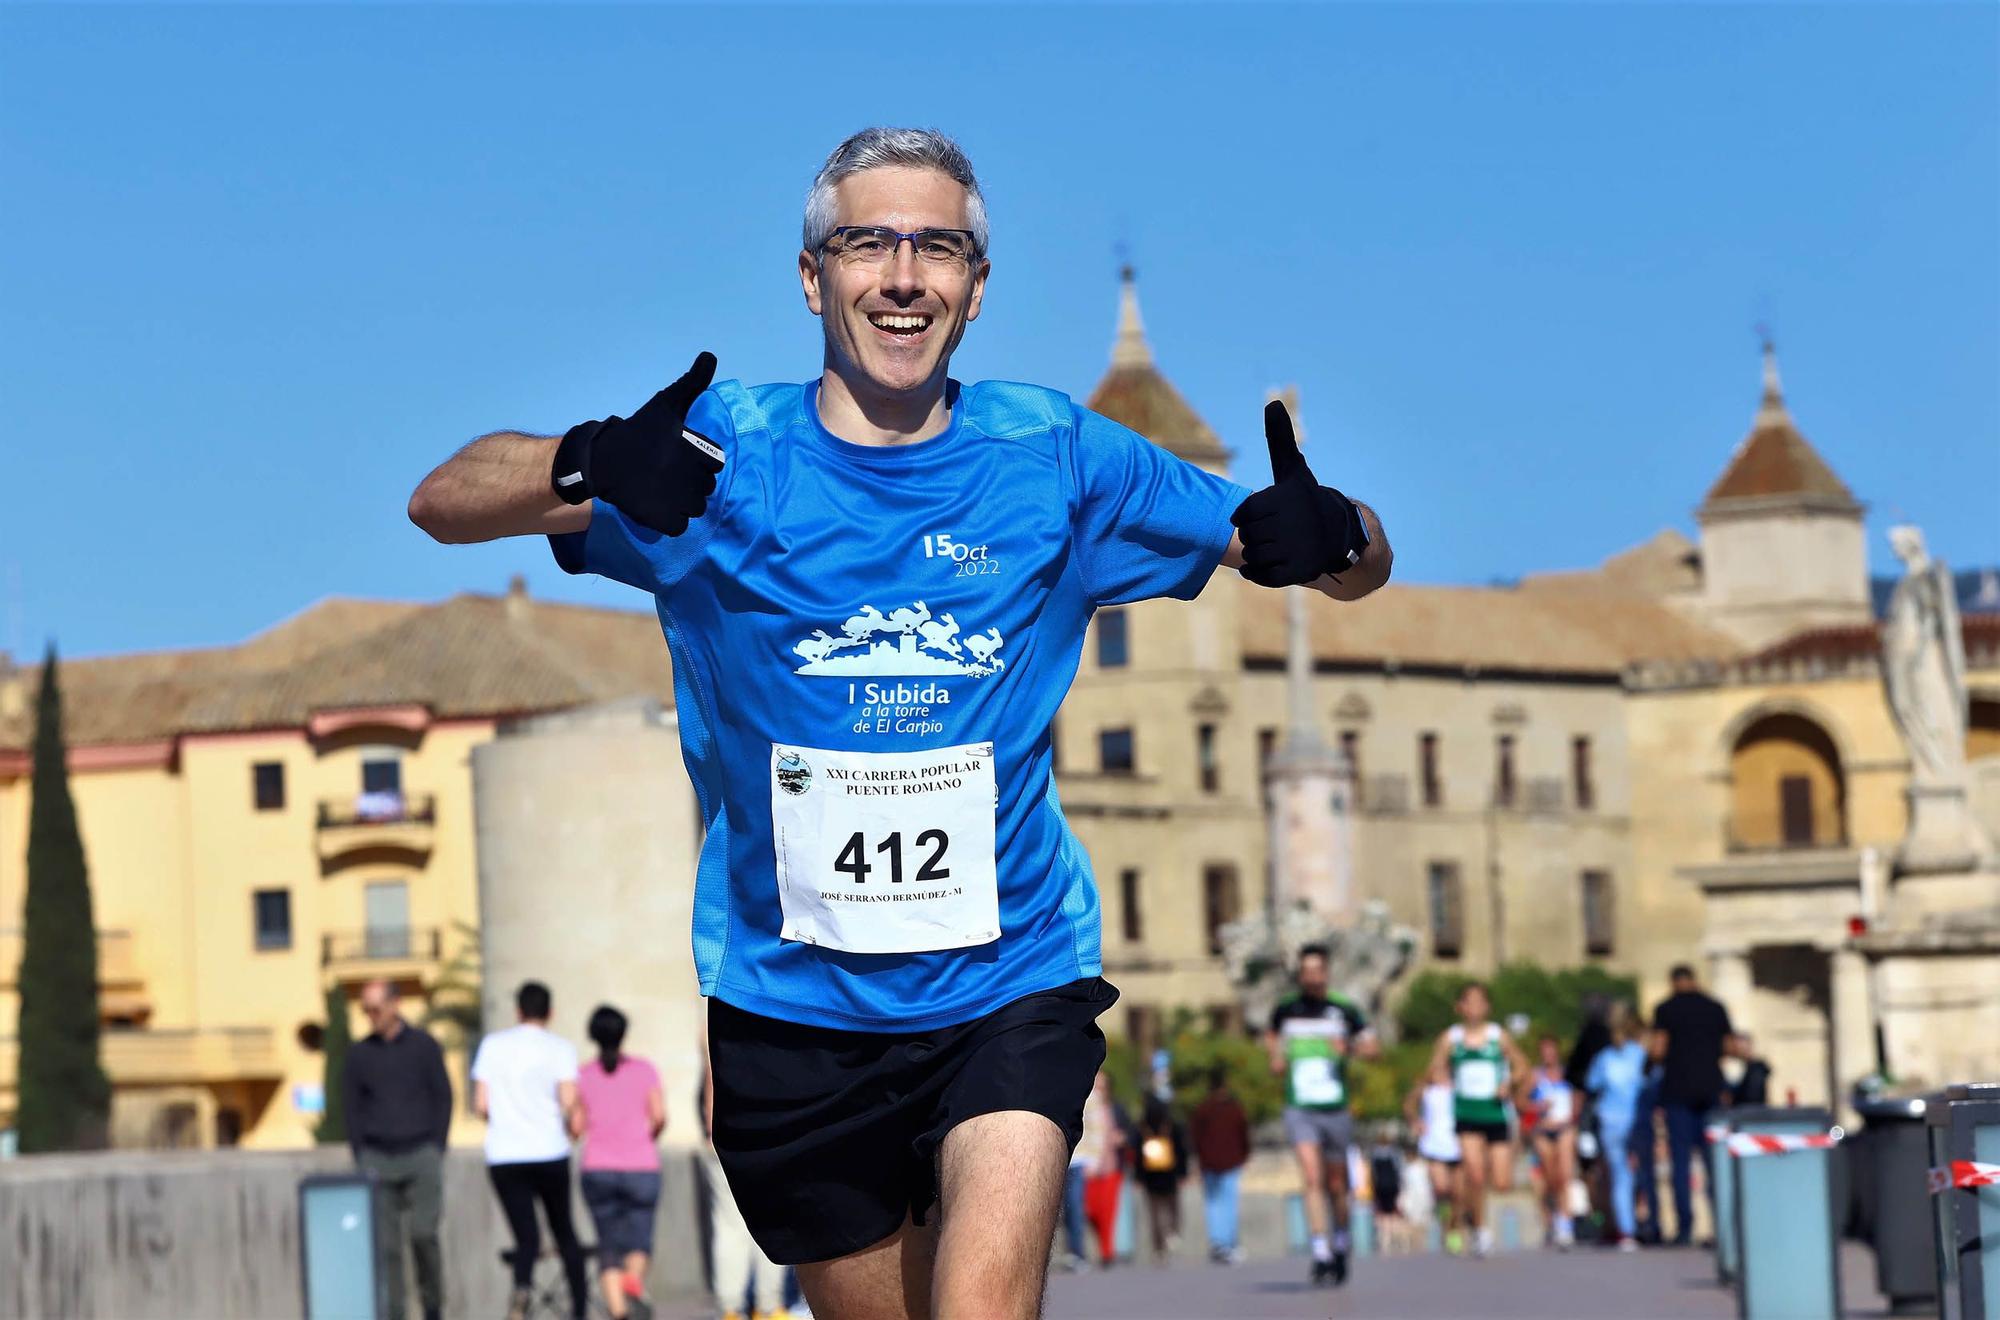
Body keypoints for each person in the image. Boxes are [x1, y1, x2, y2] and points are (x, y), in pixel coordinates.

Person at [407, 126, 1391, 1320]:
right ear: (813, 276)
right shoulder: (722, 460)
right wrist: (588, 460)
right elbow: (442, 501)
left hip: (1008, 977)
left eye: (939, 247)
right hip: (792, 1006)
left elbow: (1326, 555)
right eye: (867, 241)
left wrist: (1339, 537)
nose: (903, 273)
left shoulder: (1054, 455)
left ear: (976, 288)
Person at [473, 980, 588, 1320]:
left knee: (527, 1238)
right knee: (565, 1233)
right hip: (549, 1151)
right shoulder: (560, 1048)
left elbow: (481, 1104)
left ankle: (522, 1291)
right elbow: (569, 1102)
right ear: (550, 1012)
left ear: (518, 1010)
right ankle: (579, 1309)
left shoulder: (492, 1046)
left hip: (504, 1155)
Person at [1267, 944, 1380, 1286]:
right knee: (1312, 1179)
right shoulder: (1285, 1010)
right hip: (1300, 1106)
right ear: (1300, 975)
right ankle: (1319, 1251)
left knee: (1336, 1184)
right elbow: (1273, 1038)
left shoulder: (1344, 1010)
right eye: (1307, 971)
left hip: (1335, 1107)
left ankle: (1341, 1240)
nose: (1313, 977)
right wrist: (1276, 1056)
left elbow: (1374, 1049)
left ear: (1326, 973)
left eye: (1318, 970)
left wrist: (1352, 1048)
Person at [343, 980, 452, 1320]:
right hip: (377, 1158)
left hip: (421, 1153)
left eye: (376, 1009)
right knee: (387, 1247)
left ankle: (433, 1306)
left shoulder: (424, 1046)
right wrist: (360, 1152)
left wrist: (437, 1145)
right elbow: (351, 1106)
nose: (371, 1016)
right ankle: (394, 1314)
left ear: (395, 1005)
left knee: (423, 1233)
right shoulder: (359, 1055)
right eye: (366, 1011)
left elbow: (443, 1096)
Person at [571, 1005, 666, 1320]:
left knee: (608, 1247)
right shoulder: (645, 1070)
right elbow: (659, 1117)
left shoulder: (583, 1074)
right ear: (623, 1033)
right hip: (641, 1167)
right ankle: (632, 1283)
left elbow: (576, 1128)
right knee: (639, 1241)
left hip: (598, 1168)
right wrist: (644, 1139)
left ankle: (618, 1312)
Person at [1426, 981, 1530, 1259]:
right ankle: (1481, 1232)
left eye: (1479, 1002)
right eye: (1468, 1002)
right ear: (1460, 1007)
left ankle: (1470, 1215)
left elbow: (1522, 1066)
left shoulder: (1498, 1036)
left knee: (1502, 1180)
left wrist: (1509, 1083)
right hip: (1467, 1113)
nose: (1474, 1007)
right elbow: (1435, 1067)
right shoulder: (1452, 1038)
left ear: (1487, 1007)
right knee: (1474, 1173)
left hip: (1495, 1112)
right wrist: (1441, 1078)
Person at [698, 1033, 792, 1320]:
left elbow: (711, 1084)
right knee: (772, 1219)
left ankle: (731, 1307)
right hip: (770, 1135)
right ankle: (768, 1305)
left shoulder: (718, 1012)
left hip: (726, 1132)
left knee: (730, 1224)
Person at [1650, 964, 1734, 1245]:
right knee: (1715, 1161)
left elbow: (1659, 1048)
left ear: (1674, 982)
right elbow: (1729, 1046)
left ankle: (1685, 1228)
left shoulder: (1666, 1009)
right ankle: (1722, 1227)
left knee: (1681, 1162)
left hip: (1677, 1092)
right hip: (1711, 1089)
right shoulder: (1715, 1007)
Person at [1586, 1003, 1651, 1252]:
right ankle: (1636, 1224)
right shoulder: (1639, 1055)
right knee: (1636, 1174)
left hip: (1613, 1121)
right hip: (1632, 1121)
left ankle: (1627, 1230)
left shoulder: (1604, 1058)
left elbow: (1593, 1084)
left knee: (1621, 1176)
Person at [1188, 1066, 1250, 1265]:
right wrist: (1245, 1154)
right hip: (1230, 1162)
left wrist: (1199, 1158)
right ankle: (1228, 1243)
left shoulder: (1202, 1109)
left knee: (1214, 1204)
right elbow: (1244, 1134)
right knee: (1228, 1203)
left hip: (1210, 1163)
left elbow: (1195, 1137)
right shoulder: (1234, 1109)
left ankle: (1218, 1242)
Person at [1525, 1034, 1579, 1249]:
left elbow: (1578, 1097)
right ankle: (1552, 1218)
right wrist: (1537, 1109)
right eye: (1544, 1050)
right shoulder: (1534, 1077)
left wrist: (1572, 1115)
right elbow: (1521, 1102)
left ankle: (1565, 1224)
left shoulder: (1568, 1075)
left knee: (1564, 1176)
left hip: (1565, 1128)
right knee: (1549, 1178)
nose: (1548, 1054)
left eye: (1551, 1049)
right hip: (1543, 1130)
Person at [1404, 1063, 1462, 1251]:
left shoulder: (1459, 1086)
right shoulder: (1426, 1090)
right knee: (1441, 1188)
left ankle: (1455, 1228)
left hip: (1458, 1144)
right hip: (1434, 1145)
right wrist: (1415, 1121)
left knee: (1458, 1193)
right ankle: (1446, 1224)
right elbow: (1409, 1105)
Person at [1134, 1095, 1190, 1263]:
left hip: (1150, 1176)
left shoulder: (1142, 1127)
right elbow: (1182, 1151)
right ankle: (1173, 1232)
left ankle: (1159, 1248)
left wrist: (1138, 1176)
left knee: (1154, 1212)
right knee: (1173, 1206)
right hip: (1170, 1173)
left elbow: (1137, 1155)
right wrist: (1183, 1173)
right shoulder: (1172, 1125)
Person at [1723, 1033, 1772, 1107]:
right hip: (1739, 1110)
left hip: (1757, 1109)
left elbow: (1764, 1091)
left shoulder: (1759, 1066)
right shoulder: (1733, 1065)